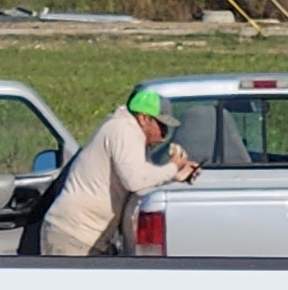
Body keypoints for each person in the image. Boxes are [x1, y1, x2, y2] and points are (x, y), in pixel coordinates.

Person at [37, 84, 198, 256]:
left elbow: (141, 177)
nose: (165, 134)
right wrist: (173, 167)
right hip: (73, 236)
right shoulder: (125, 131)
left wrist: (176, 175)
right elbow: (135, 180)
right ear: (144, 119)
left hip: (79, 235)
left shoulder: (123, 129)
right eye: (161, 125)